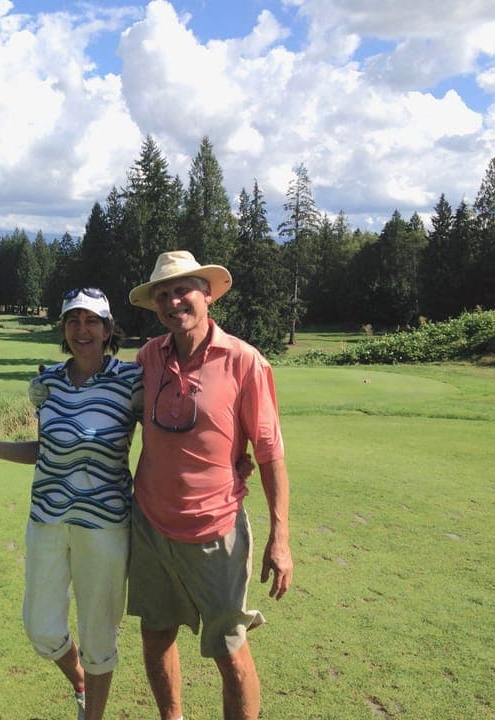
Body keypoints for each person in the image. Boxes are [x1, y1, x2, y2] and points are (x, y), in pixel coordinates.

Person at [0, 288, 143, 720]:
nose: (82, 329)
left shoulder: (131, 381)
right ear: (63, 330)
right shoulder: (49, 383)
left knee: (99, 637)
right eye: (73, 321)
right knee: (41, 628)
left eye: (91, 320)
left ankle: (90, 712)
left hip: (106, 528)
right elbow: (45, 450)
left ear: (108, 328)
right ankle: (79, 680)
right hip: (47, 521)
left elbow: (170, 429)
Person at [125, 250, 294, 720]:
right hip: (151, 527)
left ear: (207, 296)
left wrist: (280, 537)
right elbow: (108, 398)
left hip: (215, 532)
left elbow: (270, 454)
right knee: (156, 635)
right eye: (163, 294)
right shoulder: (147, 357)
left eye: (183, 290)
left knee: (229, 650)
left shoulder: (244, 361)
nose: (173, 301)